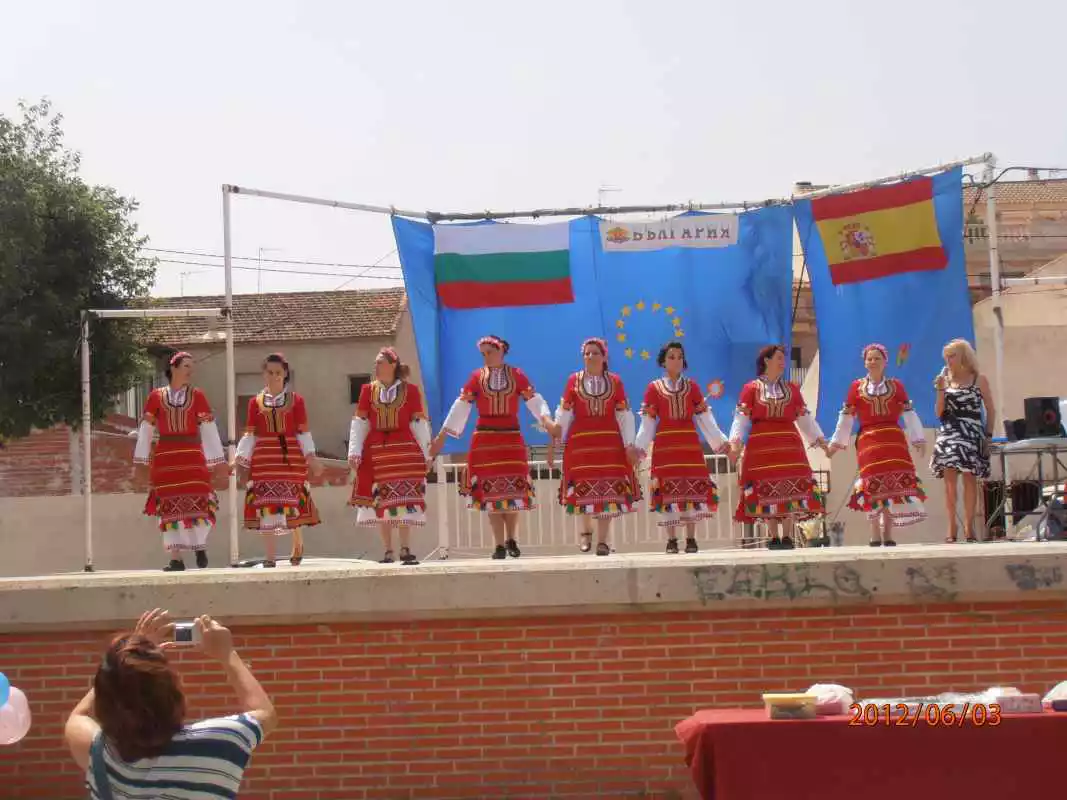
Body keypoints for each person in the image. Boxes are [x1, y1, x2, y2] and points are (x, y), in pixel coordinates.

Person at [64, 608, 276, 800]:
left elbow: (79, 716)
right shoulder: (218, 743)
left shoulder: (98, 753)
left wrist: (124, 664)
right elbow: (264, 713)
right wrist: (227, 654)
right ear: (173, 695)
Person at [429, 335, 552, 559]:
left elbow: (534, 400)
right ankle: (498, 545)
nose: (486, 357)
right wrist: (442, 436)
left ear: (502, 351)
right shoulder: (477, 377)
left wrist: (546, 419)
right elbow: (461, 405)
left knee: (513, 489)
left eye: (490, 352)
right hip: (485, 440)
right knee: (490, 493)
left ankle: (512, 538)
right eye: (483, 353)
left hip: (511, 438)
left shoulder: (516, 375)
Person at [544, 337, 641, 556]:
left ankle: (603, 541)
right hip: (581, 443)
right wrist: (556, 440)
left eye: (595, 353)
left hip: (609, 443)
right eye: (586, 353)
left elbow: (624, 414)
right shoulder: (574, 380)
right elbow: (565, 413)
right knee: (583, 488)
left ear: (604, 357)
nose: (590, 356)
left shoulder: (615, 381)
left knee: (608, 491)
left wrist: (629, 445)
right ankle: (586, 533)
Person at [133, 352, 227, 572]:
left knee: (198, 500)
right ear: (173, 368)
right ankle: (176, 558)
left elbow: (208, 428)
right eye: (186, 366)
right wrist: (140, 460)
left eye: (191, 366)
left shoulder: (197, 396)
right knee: (168, 506)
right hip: (166, 458)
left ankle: (199, 546)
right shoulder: (156, 397)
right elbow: (146, 429)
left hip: (192, 456)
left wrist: (217, 460)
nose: (190, 371)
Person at [728, 344, 827, 550]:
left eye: (784, 358)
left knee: (791, 486)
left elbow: (804, 418)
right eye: (779, 358)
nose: (783, 362)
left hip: (789, 445)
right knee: (766, 488)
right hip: (761, 445)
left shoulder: (792, 389)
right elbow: (741, 418)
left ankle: (788, 535)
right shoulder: (751, 389)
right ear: (767, 360)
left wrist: (819, 439)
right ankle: (773, 536)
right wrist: (735, 442)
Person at [828, 343, 928, 546]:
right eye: (869, 359)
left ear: (885, 362)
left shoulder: (896, 386)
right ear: (865, 363)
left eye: (877, 358)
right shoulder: (856, 387)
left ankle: (888, 533)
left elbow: (909, 413)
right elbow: (846, 418)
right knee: (872, 486)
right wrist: (836, 443)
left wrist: (918, 439)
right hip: (869, 442)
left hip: (893, 441)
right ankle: (874, 532)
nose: (873, 362)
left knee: (891, 487)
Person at [633, 341, 727, 555]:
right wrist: (638, 448)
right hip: (665, 446)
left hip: (689, 444)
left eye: (679, 357)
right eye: (671, 357)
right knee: (668, 489)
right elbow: (648, 422)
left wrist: (721, 442)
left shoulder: (692, 387)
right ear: (663, 362)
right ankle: (672, 539)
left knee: (690, 488)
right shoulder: (654, 388)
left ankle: (691, 538)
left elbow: (705, 418)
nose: (676, 360)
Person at [233, 353, 323, 568]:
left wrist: (311, 457)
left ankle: (297, 541)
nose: (274, 376)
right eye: (270, 372)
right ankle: (270, 556)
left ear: (285, 374)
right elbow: (250, 434)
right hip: (264, 459)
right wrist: (240, 459)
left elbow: (303, 432)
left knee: (291, 502)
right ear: (264, 374)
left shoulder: (296, 401)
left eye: (278, 373)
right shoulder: (255, 402)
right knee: (265, 505)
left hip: (290, 457)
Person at [349, 347, 433, 565]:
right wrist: (354, 451)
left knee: (404, 500)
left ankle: (405, 548)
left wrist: (427, 453)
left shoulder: (411, 391)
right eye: (376, 363)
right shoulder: (368, 390)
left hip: (405, 450)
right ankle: (388, 550)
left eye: (380, 362)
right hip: (377, 451)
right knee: (381, 500)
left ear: (392, 365)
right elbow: (360, 422)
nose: (376, 366)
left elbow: (419, 423)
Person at [930, 338, 995, 543]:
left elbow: (990, 409)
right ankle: (951, 525)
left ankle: (969, 526)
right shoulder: (945, 380)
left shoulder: (978, 379)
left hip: (972, 431)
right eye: (946, 357)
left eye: (952, 356)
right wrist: (940, 390)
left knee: (969, 477)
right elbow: (939, 413)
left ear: (964, 357)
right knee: (949, 478)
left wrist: (988, 435)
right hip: (950, 430)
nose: (948, 360)